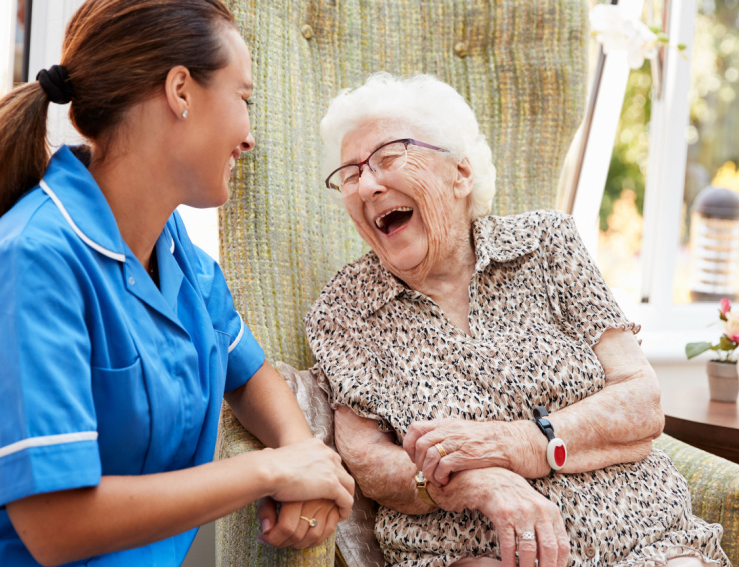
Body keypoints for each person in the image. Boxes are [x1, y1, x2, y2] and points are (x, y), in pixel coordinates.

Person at [0, 1, 354, 565]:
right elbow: (56, 524)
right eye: (244, 99)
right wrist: (270, 469)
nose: (250, 136)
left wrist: (305, 455)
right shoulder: (27, 264)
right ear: (180, 91)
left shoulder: (173, 245)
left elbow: (247, 370)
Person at [305, 73, 730, 567]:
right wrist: (477, 482)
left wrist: (519, 444)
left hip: (649, 538)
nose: (369, 184)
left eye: (388, 157)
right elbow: (369, 461)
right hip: (475, 551)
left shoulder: (546, 243)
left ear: (460, 173)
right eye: (351, 174)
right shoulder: (345, 308)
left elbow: (641, 402)